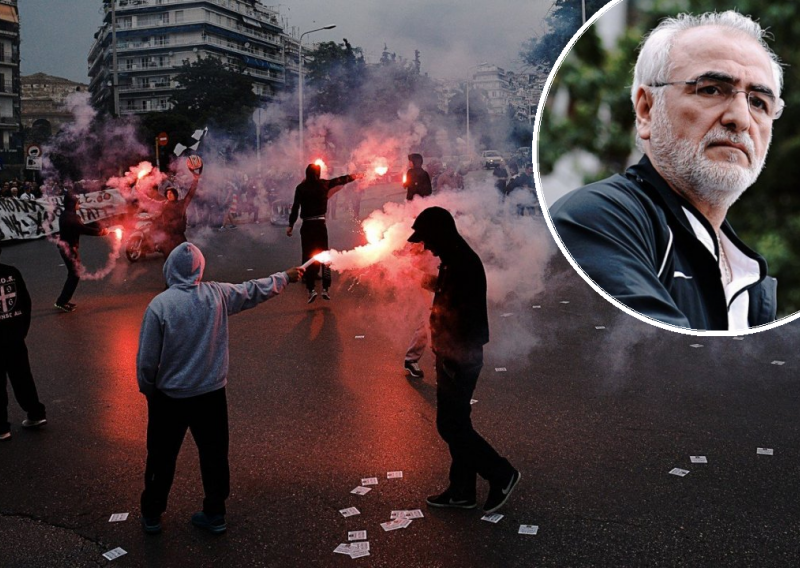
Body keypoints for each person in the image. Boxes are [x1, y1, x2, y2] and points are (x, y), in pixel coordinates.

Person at [550, 11, 783, 331]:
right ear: (646, 110)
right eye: (711, 89)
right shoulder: (596, 220)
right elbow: (668, 371)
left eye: (758, 102)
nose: (741, 118)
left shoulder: (751, 281)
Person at [136, 242, 303, 535]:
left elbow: (147, 361)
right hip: (211, 394)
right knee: (214, 455)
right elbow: (254, 290)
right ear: (200, 268)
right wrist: (286, 276)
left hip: (169, 396)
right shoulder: (217, 294)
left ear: (169, 268)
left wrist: (149, 389)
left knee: (161, 456)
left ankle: (152, 513)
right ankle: (215, 512)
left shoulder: (159, 306)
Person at [407, 206, 520, 514]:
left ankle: (502, 473)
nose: (426, 246)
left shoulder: (461, 262)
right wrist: (423, 279)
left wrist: (450, 359)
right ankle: (461, 490)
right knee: (456, 422)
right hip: (454, 353)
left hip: (459, 354)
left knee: (451, 424)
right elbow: (449, 295)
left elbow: (461, 316)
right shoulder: (453, 258)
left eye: (428, 239)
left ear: (440, 233)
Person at [287, 163, 363, 303]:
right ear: (318, 173)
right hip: (320, 225)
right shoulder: (324, 184)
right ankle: (325, 289)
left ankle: (311, 289)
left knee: (308, 256)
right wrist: (356, 176)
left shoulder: (301, 188)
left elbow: (295, 207)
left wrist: (291, 225)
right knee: (325, 255)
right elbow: (341, 179)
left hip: (307, 225)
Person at [0, 243, 47, 441]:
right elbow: (25, 303)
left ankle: (2, 428)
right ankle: (35, 413)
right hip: (15, 337)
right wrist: (21, 331)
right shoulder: (12, 272)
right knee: (22, 377)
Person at [54, 191, 109, 313]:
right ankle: (61, 302)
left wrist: (99, 227)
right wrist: (100, 232)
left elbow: (83, 225)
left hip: (67, 248)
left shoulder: (68, 214)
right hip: (69, 249)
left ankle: (63, 300)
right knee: (74, 274)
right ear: (72, 203)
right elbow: (83, 229)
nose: (79, 204)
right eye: (77, 202)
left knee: (73, 274)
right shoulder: (71, 218)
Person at [158, 156, 202, 257]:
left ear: (175, 195)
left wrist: (195, 180)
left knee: (184, 258)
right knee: (168, 260)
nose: (169, 195)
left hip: (179, 237)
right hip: (168, 238)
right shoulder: (164, 204)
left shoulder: (181, 204)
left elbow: (190, 194)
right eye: (167, 194)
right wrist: (139, 189)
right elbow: (150, 201)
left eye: (171, 193)